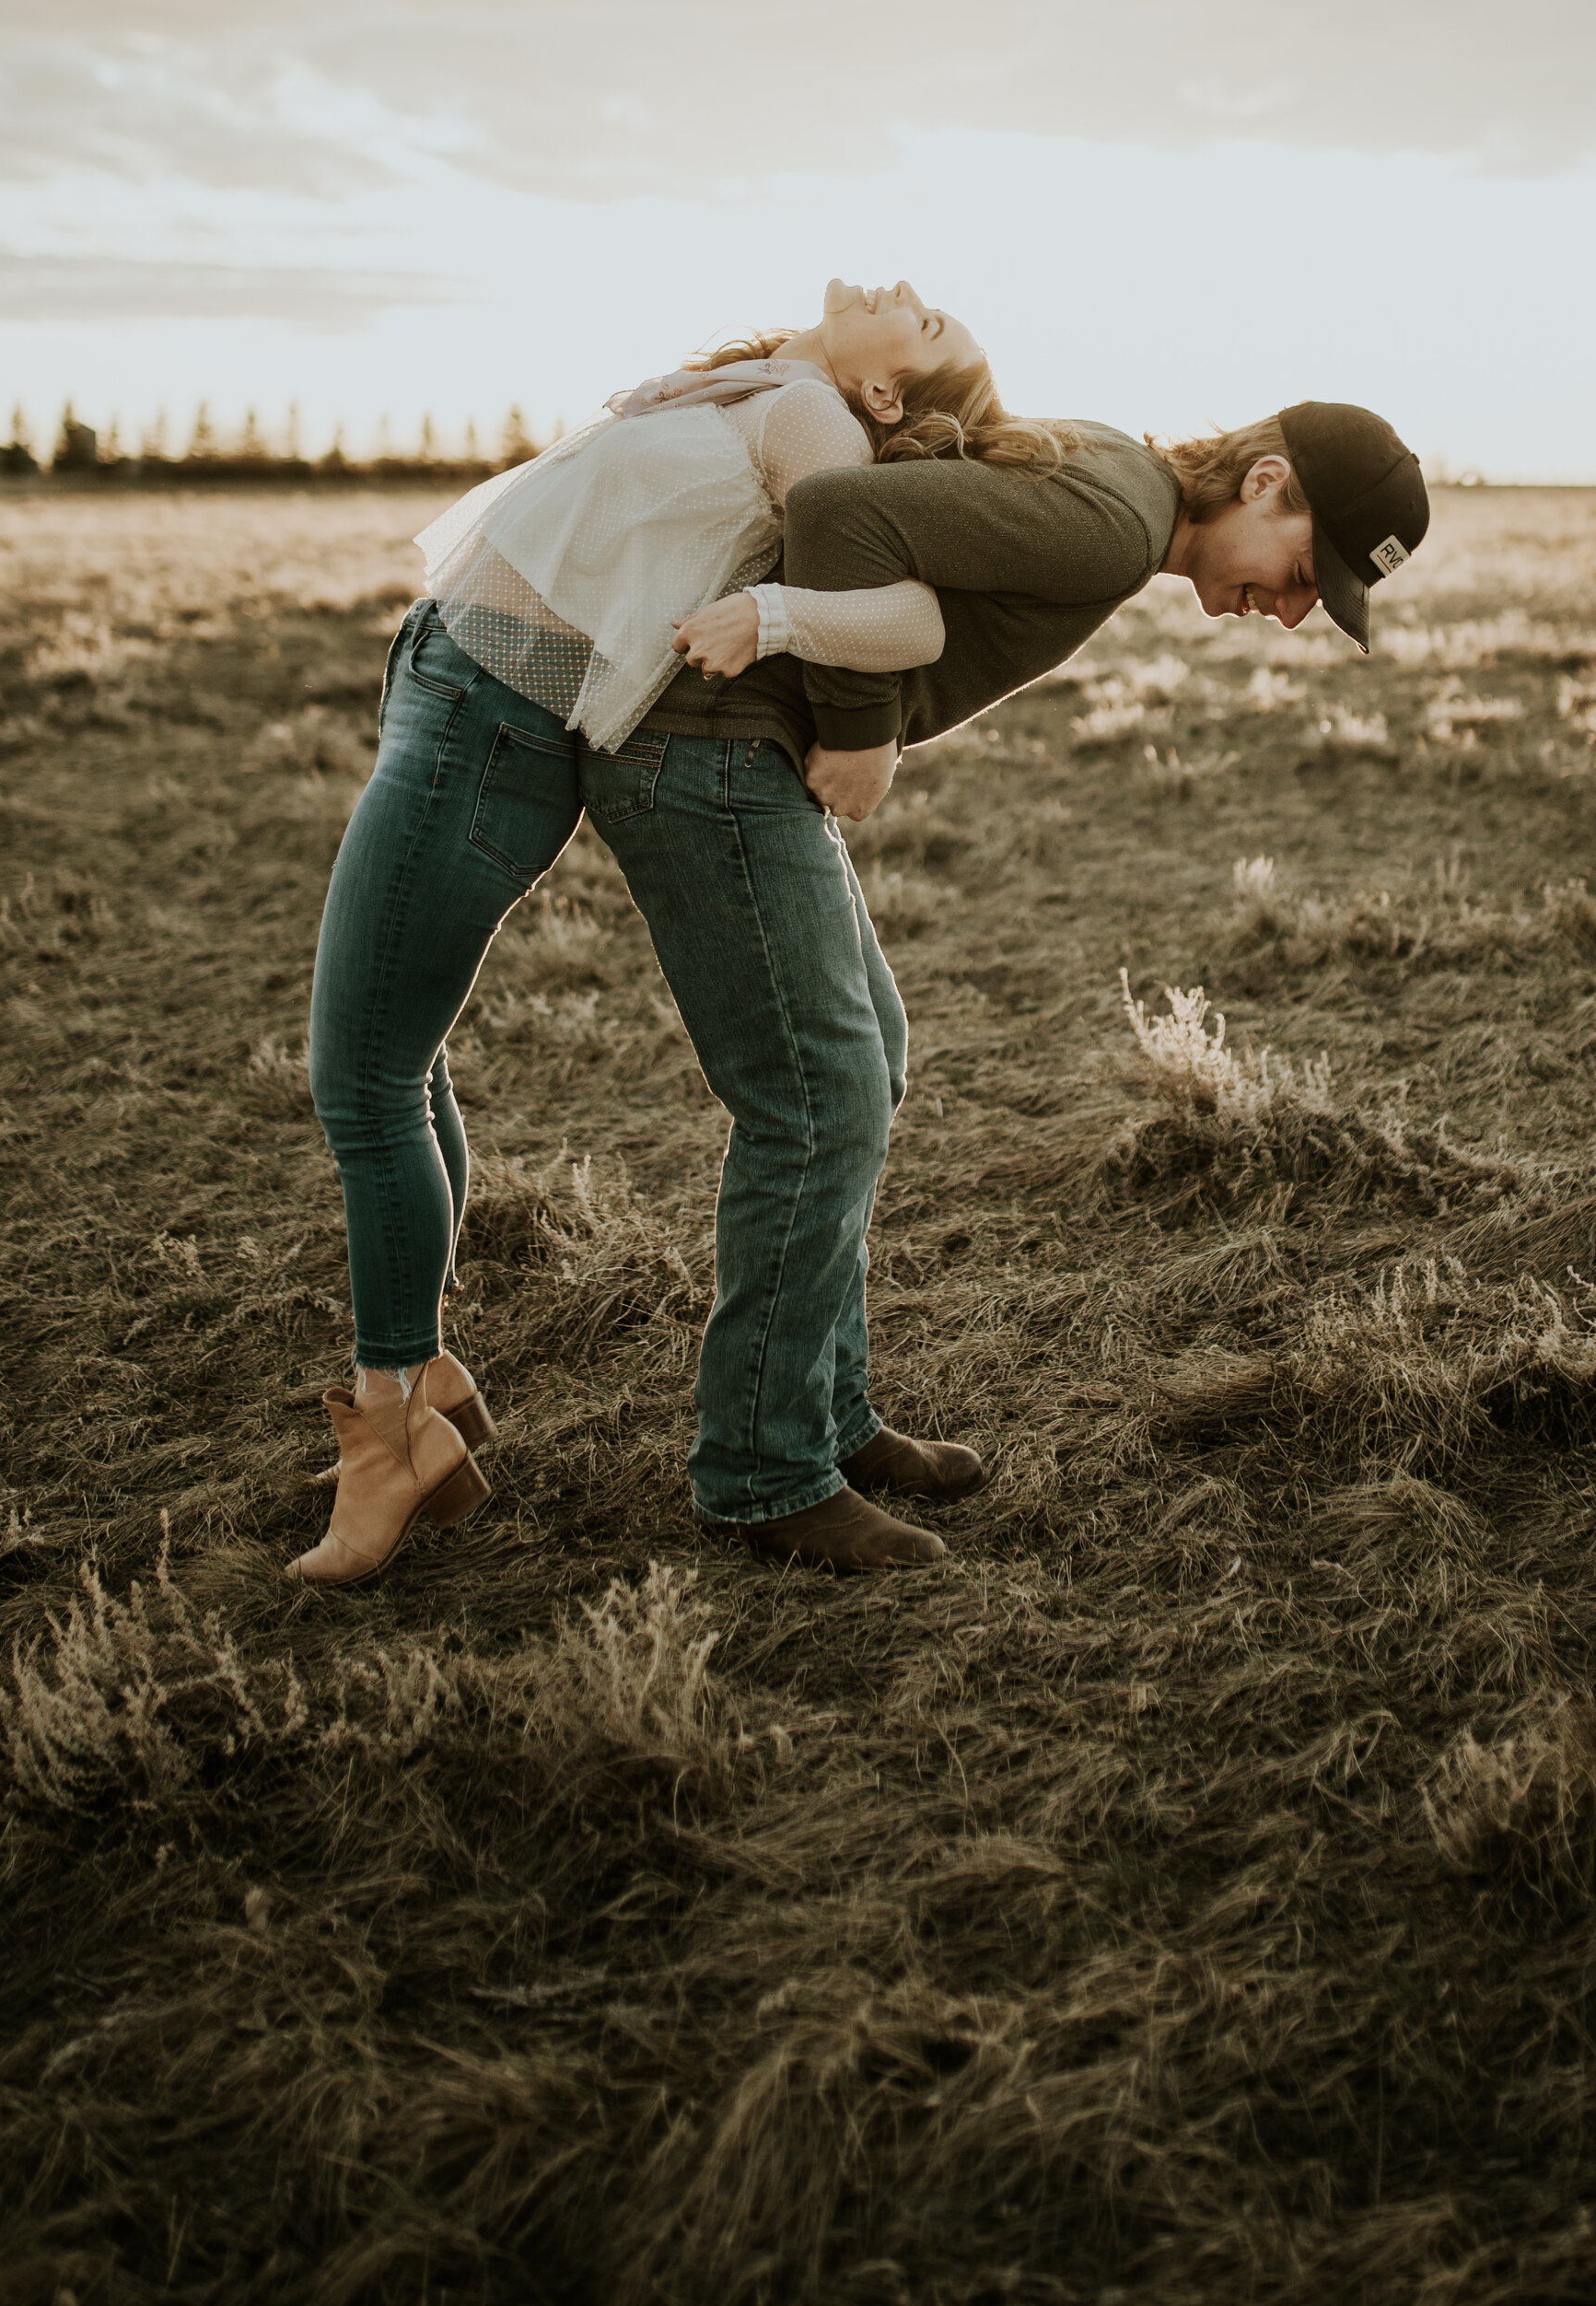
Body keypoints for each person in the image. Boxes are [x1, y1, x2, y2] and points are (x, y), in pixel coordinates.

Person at [577, 395, 1430, 1575]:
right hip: (711, 745)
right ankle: (760, 1473)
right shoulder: (1115, 521)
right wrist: (864, 729)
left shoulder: (1123, 494)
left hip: (737, 749)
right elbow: (838, 513)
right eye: (1303, 572)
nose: (1288, 613)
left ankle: (829, 1418)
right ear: (1265, 482)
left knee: (867, 1056)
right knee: (822, 1096)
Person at [287, 277, 1048, 1588]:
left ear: (882, 396)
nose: (911, 296)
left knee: (364, 1080)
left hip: (486, 726)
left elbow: (908, 613)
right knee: (396, 1065)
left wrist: (778, 621)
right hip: (458, 695)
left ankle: (393, 1423)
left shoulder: (815, 421)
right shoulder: (770, 385)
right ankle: (425, 1382)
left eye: (924, 332)